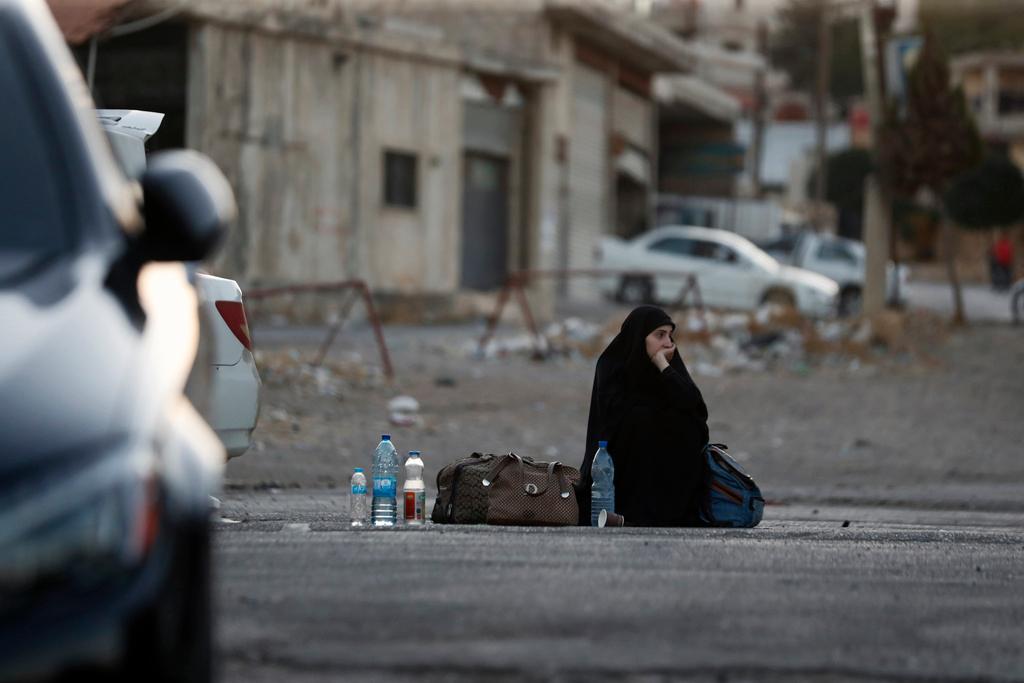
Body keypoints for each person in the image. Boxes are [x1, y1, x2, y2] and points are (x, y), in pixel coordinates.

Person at [578, 306, 709, 527]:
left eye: (670, 335)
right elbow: (616, 420)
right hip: (621, 469)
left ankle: (671, 508)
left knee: (688, 425)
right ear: (640, 336)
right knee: (642, 420)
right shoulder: (612, 365)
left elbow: (696, 410)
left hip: (666, 479)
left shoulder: (669, 366)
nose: (668, 343)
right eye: (660, 335)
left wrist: (664, 368)